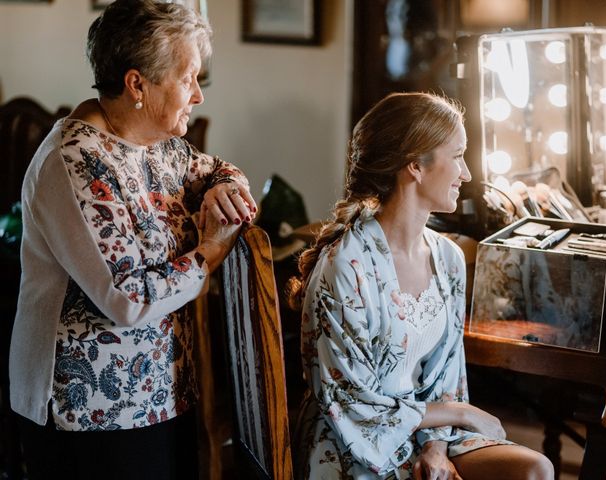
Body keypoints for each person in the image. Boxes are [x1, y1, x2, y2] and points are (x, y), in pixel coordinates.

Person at [9, 1, 256, 479]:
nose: (198, 96)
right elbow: (128, 298)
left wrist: (226, 186)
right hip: (89, 411)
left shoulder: (159, 146)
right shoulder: (77, 163)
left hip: (162, 393)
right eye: (188, 79)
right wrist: (210, 252)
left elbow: (218, 169)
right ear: (136, 84)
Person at [288, 92, 554, 479]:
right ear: (415, 165)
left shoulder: (447, 258)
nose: (466, 174)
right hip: (355, 444)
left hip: (429, 432)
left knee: (535, 470)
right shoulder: (347, 266)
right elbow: (349, 403)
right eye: (458, 156)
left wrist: (435, 447)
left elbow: (448, 375)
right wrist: (459, 414)